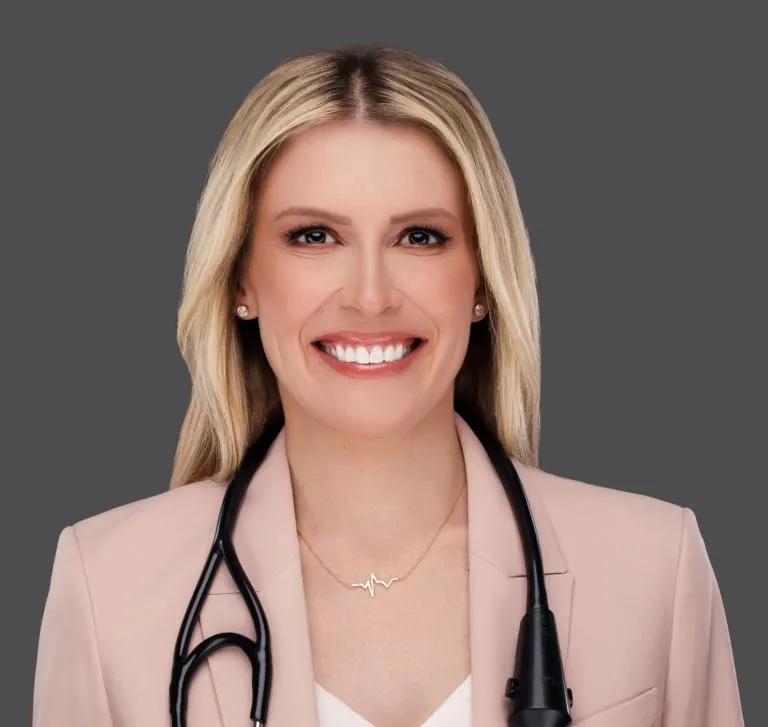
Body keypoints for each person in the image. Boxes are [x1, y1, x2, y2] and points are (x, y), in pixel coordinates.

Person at [32, 44, 744, 727]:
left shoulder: (656, 565)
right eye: (314, 236)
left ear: (482, 281)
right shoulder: (107, 586)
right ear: (242, 279)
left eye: (420, 237)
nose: (370, 296)